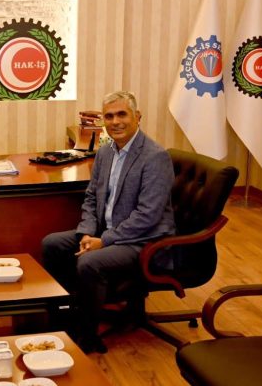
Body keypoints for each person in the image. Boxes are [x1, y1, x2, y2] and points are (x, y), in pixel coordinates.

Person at [41, 91, 175, 354]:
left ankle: (87, 335)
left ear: (137, 117)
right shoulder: (105, 152)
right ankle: (65, 318)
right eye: (109, 116)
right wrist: (86, 233)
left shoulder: (155, 157)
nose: (115, 122)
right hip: (105, 232)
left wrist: (103, 241)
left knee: (90, 262)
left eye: (122, 114)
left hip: (144, 241)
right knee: (52, 244)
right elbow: (91, 197)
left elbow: (147, 215)